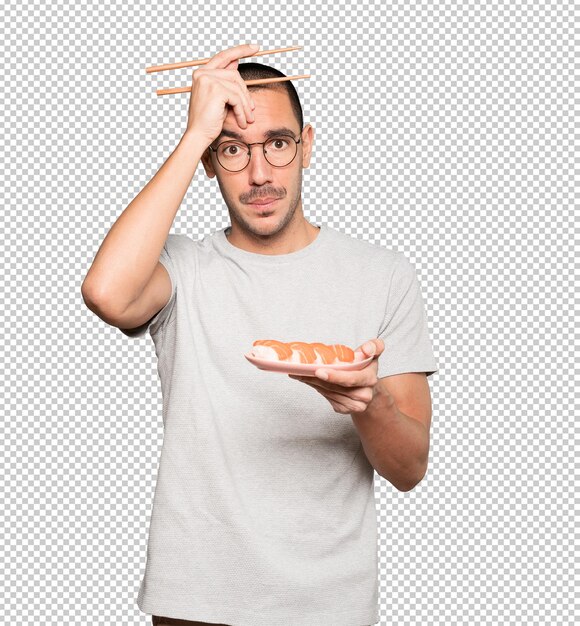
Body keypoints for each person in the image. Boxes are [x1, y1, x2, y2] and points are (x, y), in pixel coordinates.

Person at [81, 43, 438, 626]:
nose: (259, 173)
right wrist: (193, 133)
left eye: (277, 143)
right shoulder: (181, 268)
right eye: (231, 150)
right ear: (208, 163)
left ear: (307, 147)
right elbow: (106, 294)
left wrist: (366, 404)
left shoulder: (384, 274)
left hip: (329, 605)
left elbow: (409, 469)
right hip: (195, 599)